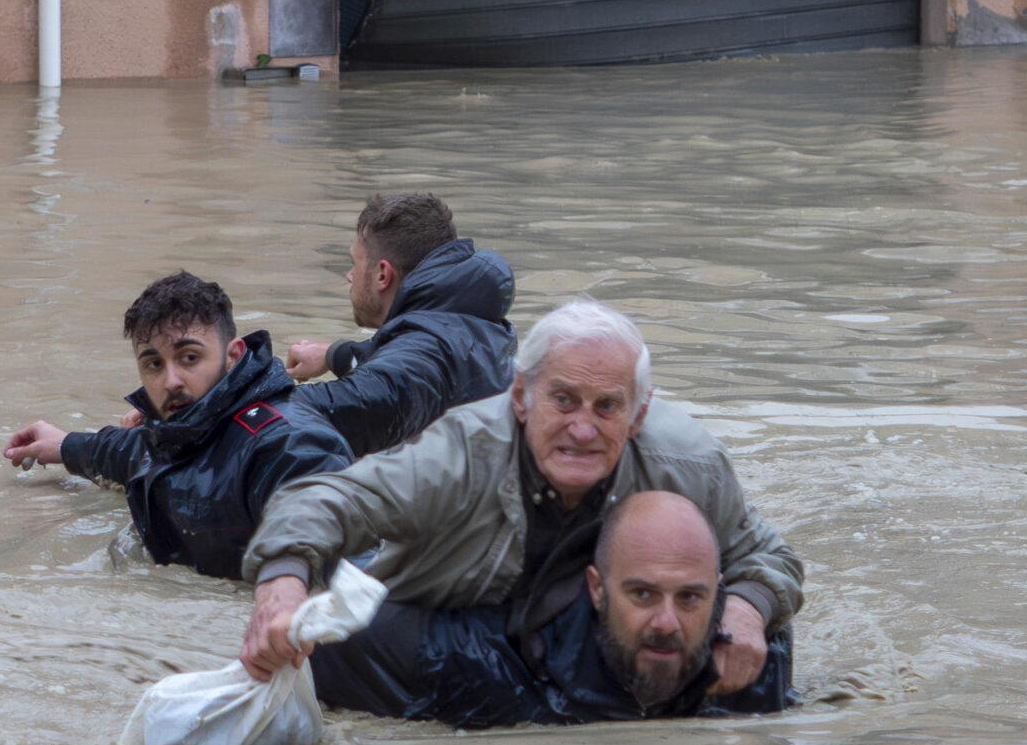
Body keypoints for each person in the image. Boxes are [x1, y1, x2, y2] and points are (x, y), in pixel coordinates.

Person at [237, 297, 803, 700]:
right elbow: (324, 500)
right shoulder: (459, 454)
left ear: (639, 415)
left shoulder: (690, 465)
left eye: (606, 407)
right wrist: (282, 586)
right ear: (521, 397)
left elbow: (768, 558)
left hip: (578, 625)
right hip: (453, 617)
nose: (583, 429)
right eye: (563, 399)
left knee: (766, 646)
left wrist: (748, 610)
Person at [3, 272, 351, 582]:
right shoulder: (178, 430)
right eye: (154, 364)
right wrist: (65, 446)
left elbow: (328, 529)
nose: (170, 381)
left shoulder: (287, 443)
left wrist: (285, 583)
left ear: (233, 356)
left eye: (189, 358)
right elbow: (131, 451)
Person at [308, 492, 762, 728]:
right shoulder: (482, 661)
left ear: (717, 593)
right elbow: (330, 638)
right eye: (642, 595)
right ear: (597, 589)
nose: (667, 623)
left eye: (690, 598)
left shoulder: (751, 664)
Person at [277, 191, 518, 457]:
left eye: (354, 264)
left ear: (382, 274)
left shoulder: (423, 355)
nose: (349, 276)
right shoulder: (470, 322)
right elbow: (405, 365)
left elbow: (368, 398)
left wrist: (242, 394)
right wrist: (334, 355)